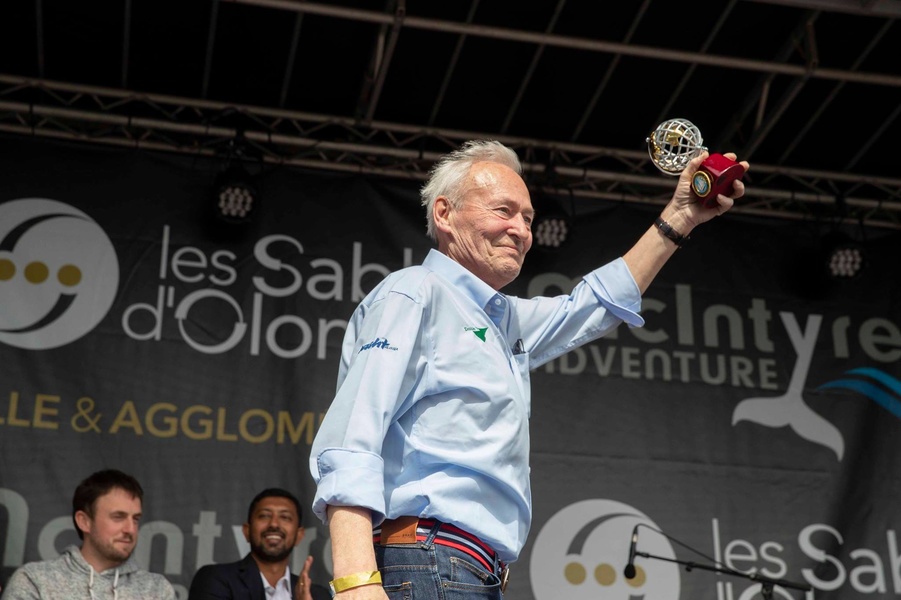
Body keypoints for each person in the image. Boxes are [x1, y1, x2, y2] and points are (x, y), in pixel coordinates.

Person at [309, 139, 748, 599]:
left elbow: (594, 305)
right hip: (426, 557)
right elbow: (351, 435)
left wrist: (679, 217)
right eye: (504, 211)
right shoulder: (415, 293)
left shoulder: (504, 319)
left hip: (471, 570)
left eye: (528, 218)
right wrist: (355, 580)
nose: (520, 230)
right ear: (444, 213)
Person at [1, 468, 175, 600]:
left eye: (136, 519)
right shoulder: (35, 580)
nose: (130, 529)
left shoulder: (157, 590)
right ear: (84, 521)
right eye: (118, 517)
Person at [188, 488, 329, 600]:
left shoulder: (317, 595)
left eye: (285, 517)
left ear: (299, 535)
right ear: (246, 531)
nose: (274, 524)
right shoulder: (215, 579)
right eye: (264, 516)